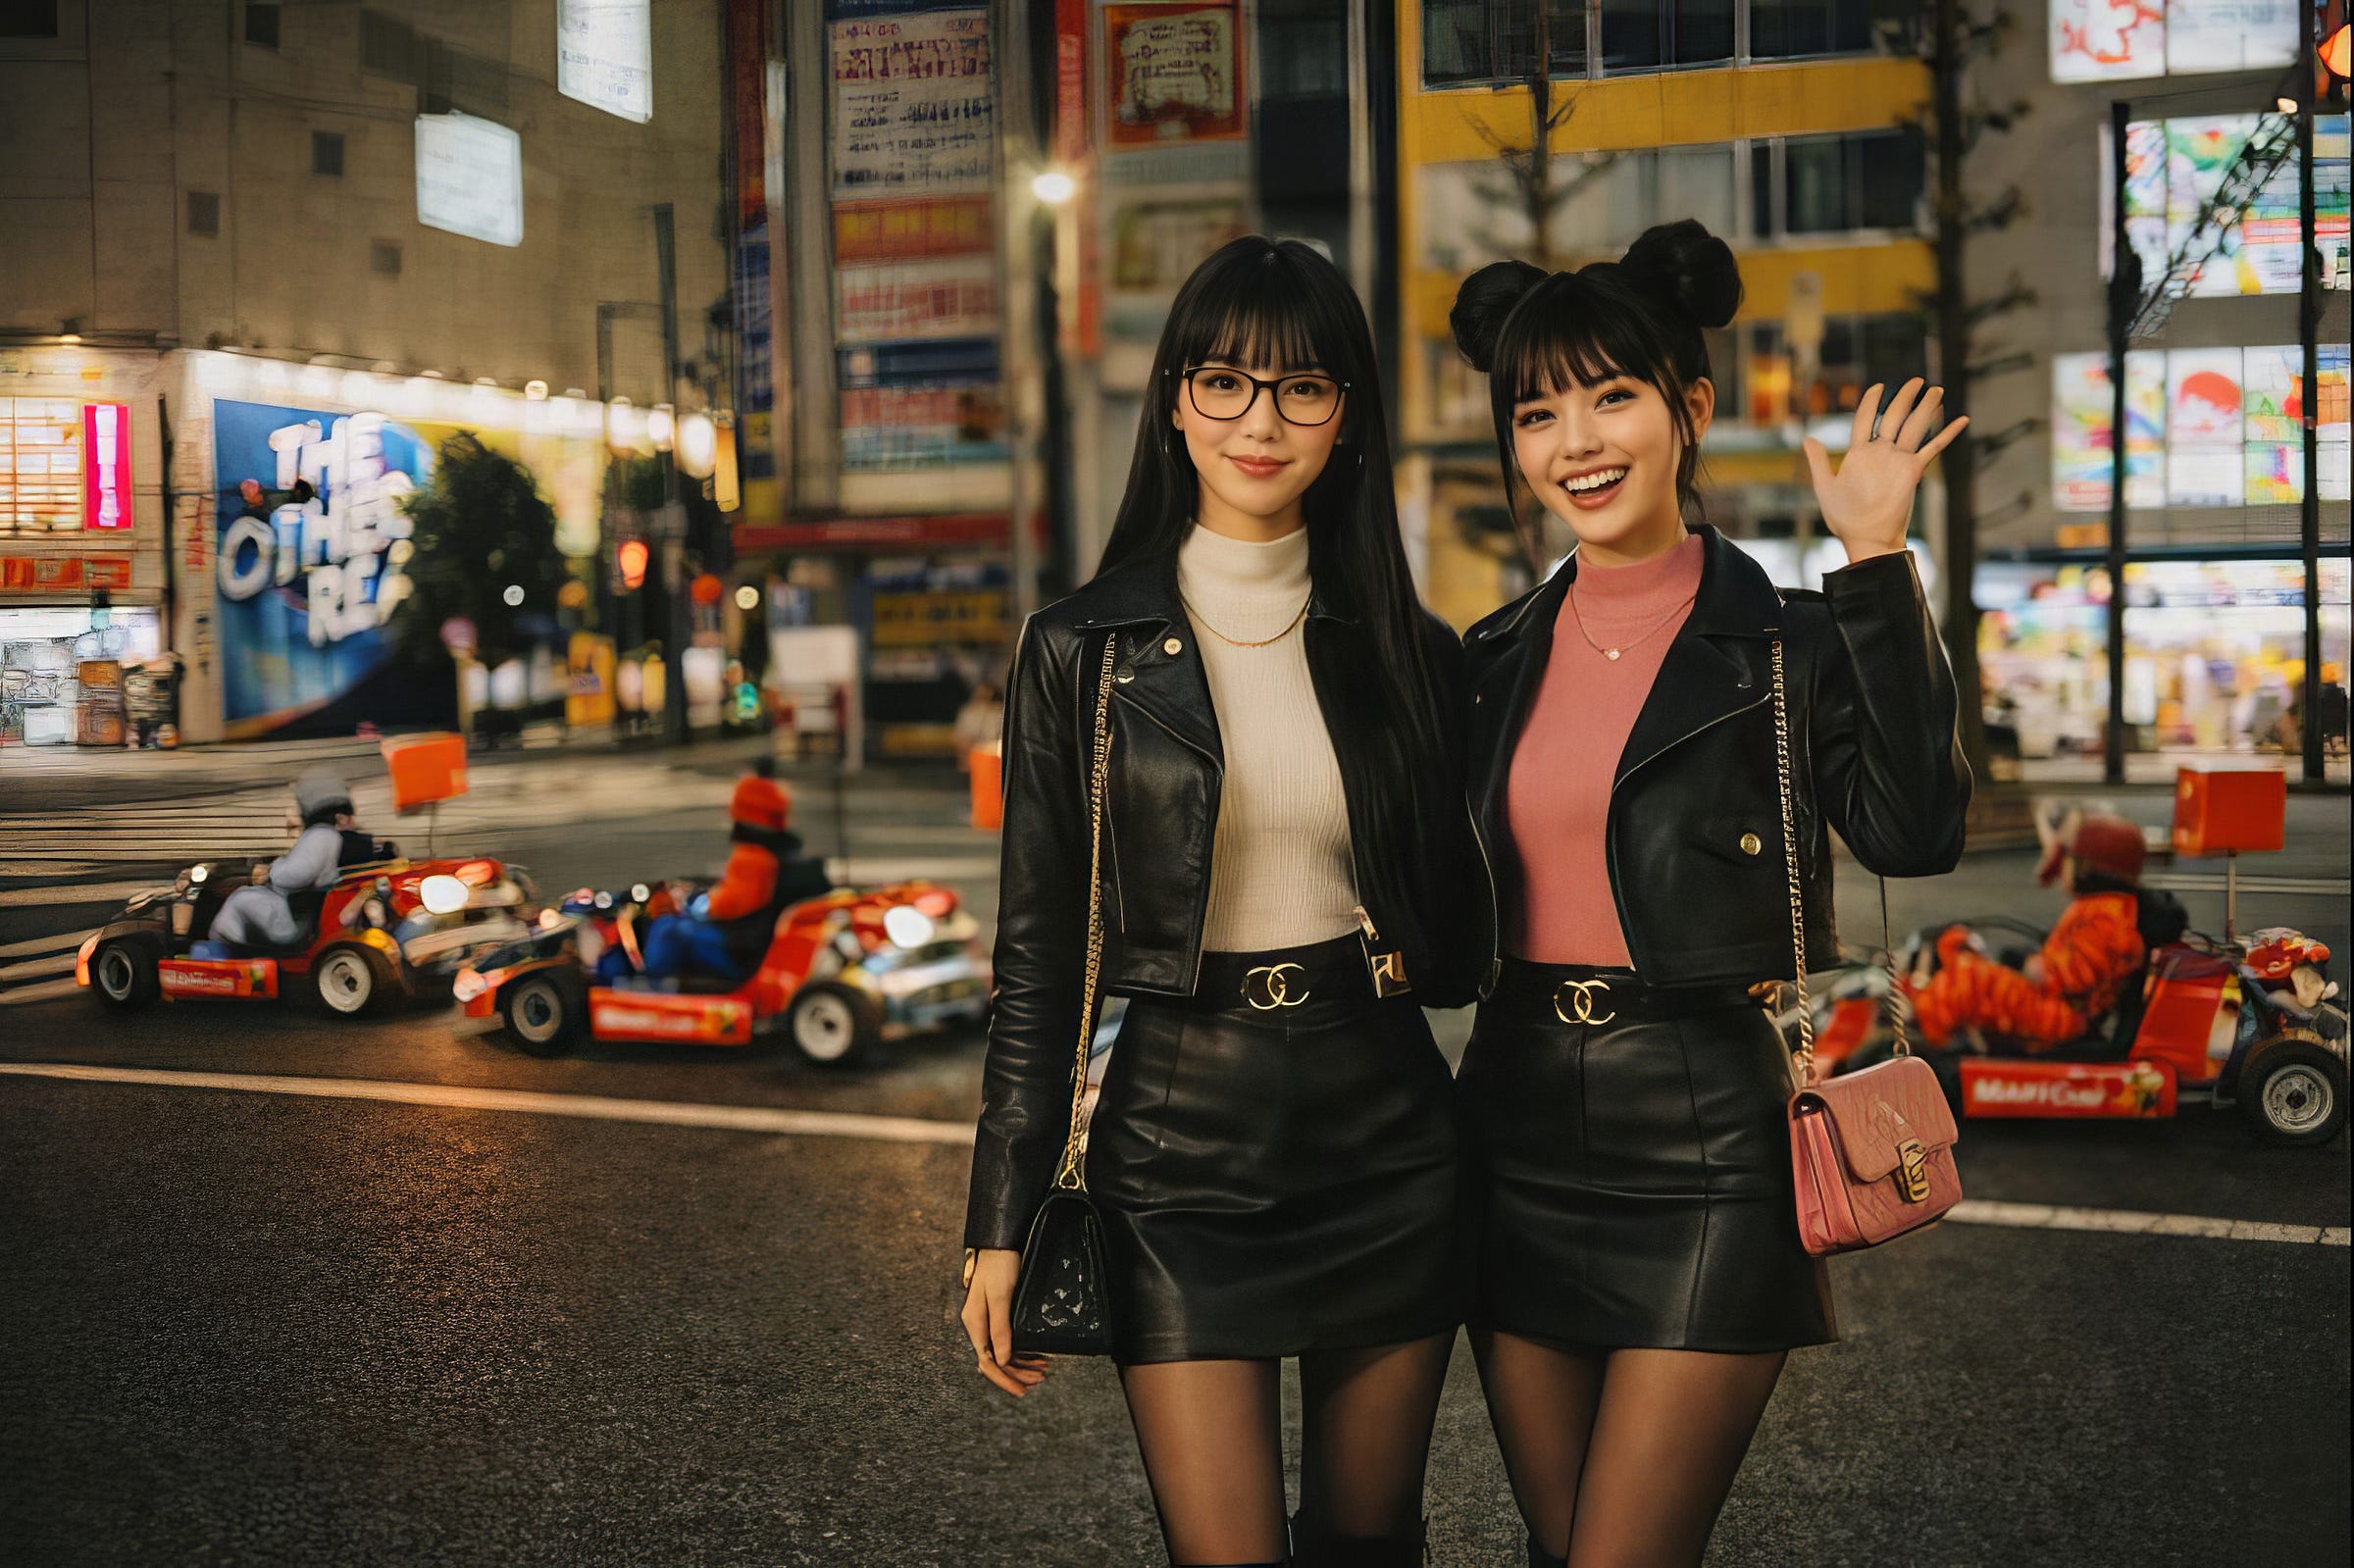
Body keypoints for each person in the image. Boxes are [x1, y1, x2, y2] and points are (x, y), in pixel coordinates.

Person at [1449, 221, 1972, 1568]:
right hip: (1508, 1127)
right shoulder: (1488, 657)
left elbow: (1916, 831)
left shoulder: (1787, 637)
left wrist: (1872, 562)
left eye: (1612, 394)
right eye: (1537, 409)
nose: (1576, 440)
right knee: (1560, 1545)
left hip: (1706, 1139)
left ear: (1690, 407)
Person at [958, 235, 1483, 1568]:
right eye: (1227, 382)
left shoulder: (1410, 650)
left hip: (1386, 1129)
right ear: (1177, 401)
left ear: (1348, 414)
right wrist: (999, 1224)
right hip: (1179, 1146)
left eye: (1303, 388)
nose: (1262, 420)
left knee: (1370, 1542)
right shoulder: (1082, 648)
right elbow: (1036, 965)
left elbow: (1479, 912)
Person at [1911, 809, 2151, 1053]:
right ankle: (1929, 1013)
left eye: (2068, 860)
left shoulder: (2108, 917)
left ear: (2088, 868)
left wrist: (2034, 967)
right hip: (2057, 1007)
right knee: (1957, 946)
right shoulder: (2108, 908)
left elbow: (2072, 975)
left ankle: (1930, 1043)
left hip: (2058, 1017)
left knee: (1969, 979)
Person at [621, 757, 829, 985]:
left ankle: (649, 992)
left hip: (741, 952)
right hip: (761, 945)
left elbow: (723, 908)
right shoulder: (790, 856)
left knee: (667, 928)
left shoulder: (754, 858)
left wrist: (701, 904)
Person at [205, 769, 365, 952]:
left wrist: (274, 868)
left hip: (293, 920)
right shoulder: (333, 836)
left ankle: (225, 952)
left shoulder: (319, 835)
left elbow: (296, 875)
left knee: (240, 898)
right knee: (248, 896)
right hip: (304, 911)